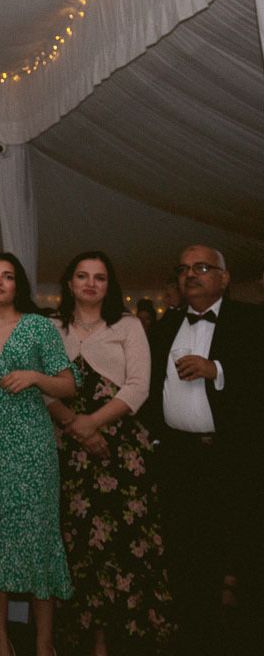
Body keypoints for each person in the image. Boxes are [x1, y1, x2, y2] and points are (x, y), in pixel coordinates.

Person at [47, 252, 174, 654]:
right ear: (69, 283)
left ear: (109, 285)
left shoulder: (129, 325)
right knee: (77, 545)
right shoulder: (50, 328)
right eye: (82, 276)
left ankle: (119, 643)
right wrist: (74, 425)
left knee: (123, 546)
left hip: (120, 450)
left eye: (99, 278)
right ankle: (86, 643)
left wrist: (92, 423)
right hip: (68, 451)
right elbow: (42, 387)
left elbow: (139, 386)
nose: (90, 284)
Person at [0, 253, 76, 656]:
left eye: (7, 276)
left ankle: (44, 644)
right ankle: (1, 644)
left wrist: (35, 377)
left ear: (18, 284)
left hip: (31, 441)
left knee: (37, 533)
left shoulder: (41, 327)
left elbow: (68, 385)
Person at [146, 245, 263, 656]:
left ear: (224, 277)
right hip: (180, 460)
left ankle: (247, 640)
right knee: (187, 556)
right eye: (183, 269)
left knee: (245, 551)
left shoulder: (252, 322)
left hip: (232, 459)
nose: (190, 275)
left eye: (201, 267)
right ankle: (196, 639)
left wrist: (218, 371)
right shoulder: (164, 327)